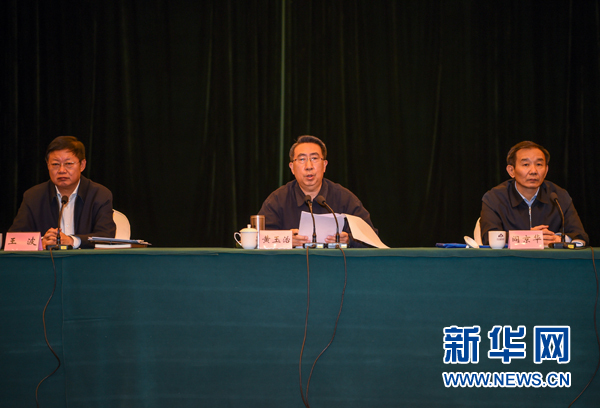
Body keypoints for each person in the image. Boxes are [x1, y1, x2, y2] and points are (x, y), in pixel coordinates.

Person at [258, 135, 377, 247]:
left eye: (314, 158)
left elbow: (372, 238)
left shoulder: (344, 198)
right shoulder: (278, 200)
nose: (309, 166)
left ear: (324, 165)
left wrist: (349, 240)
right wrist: (286, 239)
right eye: (302, 159)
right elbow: (257, 239)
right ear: (292, 167)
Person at [9, 136, 116, 249]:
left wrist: (73, 241)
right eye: (55, 164)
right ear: (48, 165)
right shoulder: (33, 196)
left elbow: (106, 236)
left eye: (68, 164)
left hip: (86, 259)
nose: (61, 170)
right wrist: (40, 242)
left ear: (82, 165)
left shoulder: (100, 195)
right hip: (47, 259)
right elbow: (14, 239)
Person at [480, 141, 588, 246]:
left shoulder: (559, 196)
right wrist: (529, 238)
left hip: (550, 258)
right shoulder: (494, 198)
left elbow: (580, 236)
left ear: (546, 170)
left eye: (539, 164)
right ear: (511, 170)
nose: (533, 171)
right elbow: (489, 238)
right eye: (526, 164)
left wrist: (559, 239)